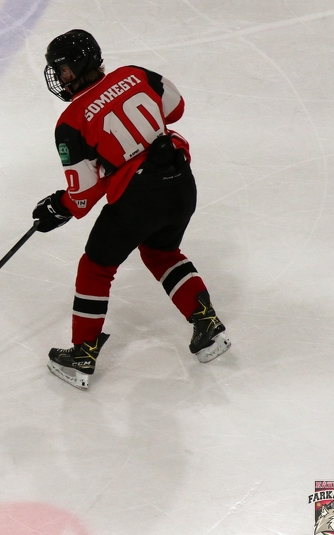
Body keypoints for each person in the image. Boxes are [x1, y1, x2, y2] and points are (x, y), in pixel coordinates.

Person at [33, 29, 231, 390]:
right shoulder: (136, 74)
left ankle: (82, 355)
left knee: (95, 268)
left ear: (77, 65)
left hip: (139, 198)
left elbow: (83, 194)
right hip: (180, 183)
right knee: (162, 253)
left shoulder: (71, 121)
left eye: (61, 69)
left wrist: (58, 207)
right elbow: (176, 108)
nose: (59, 77)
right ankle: (208, 326)